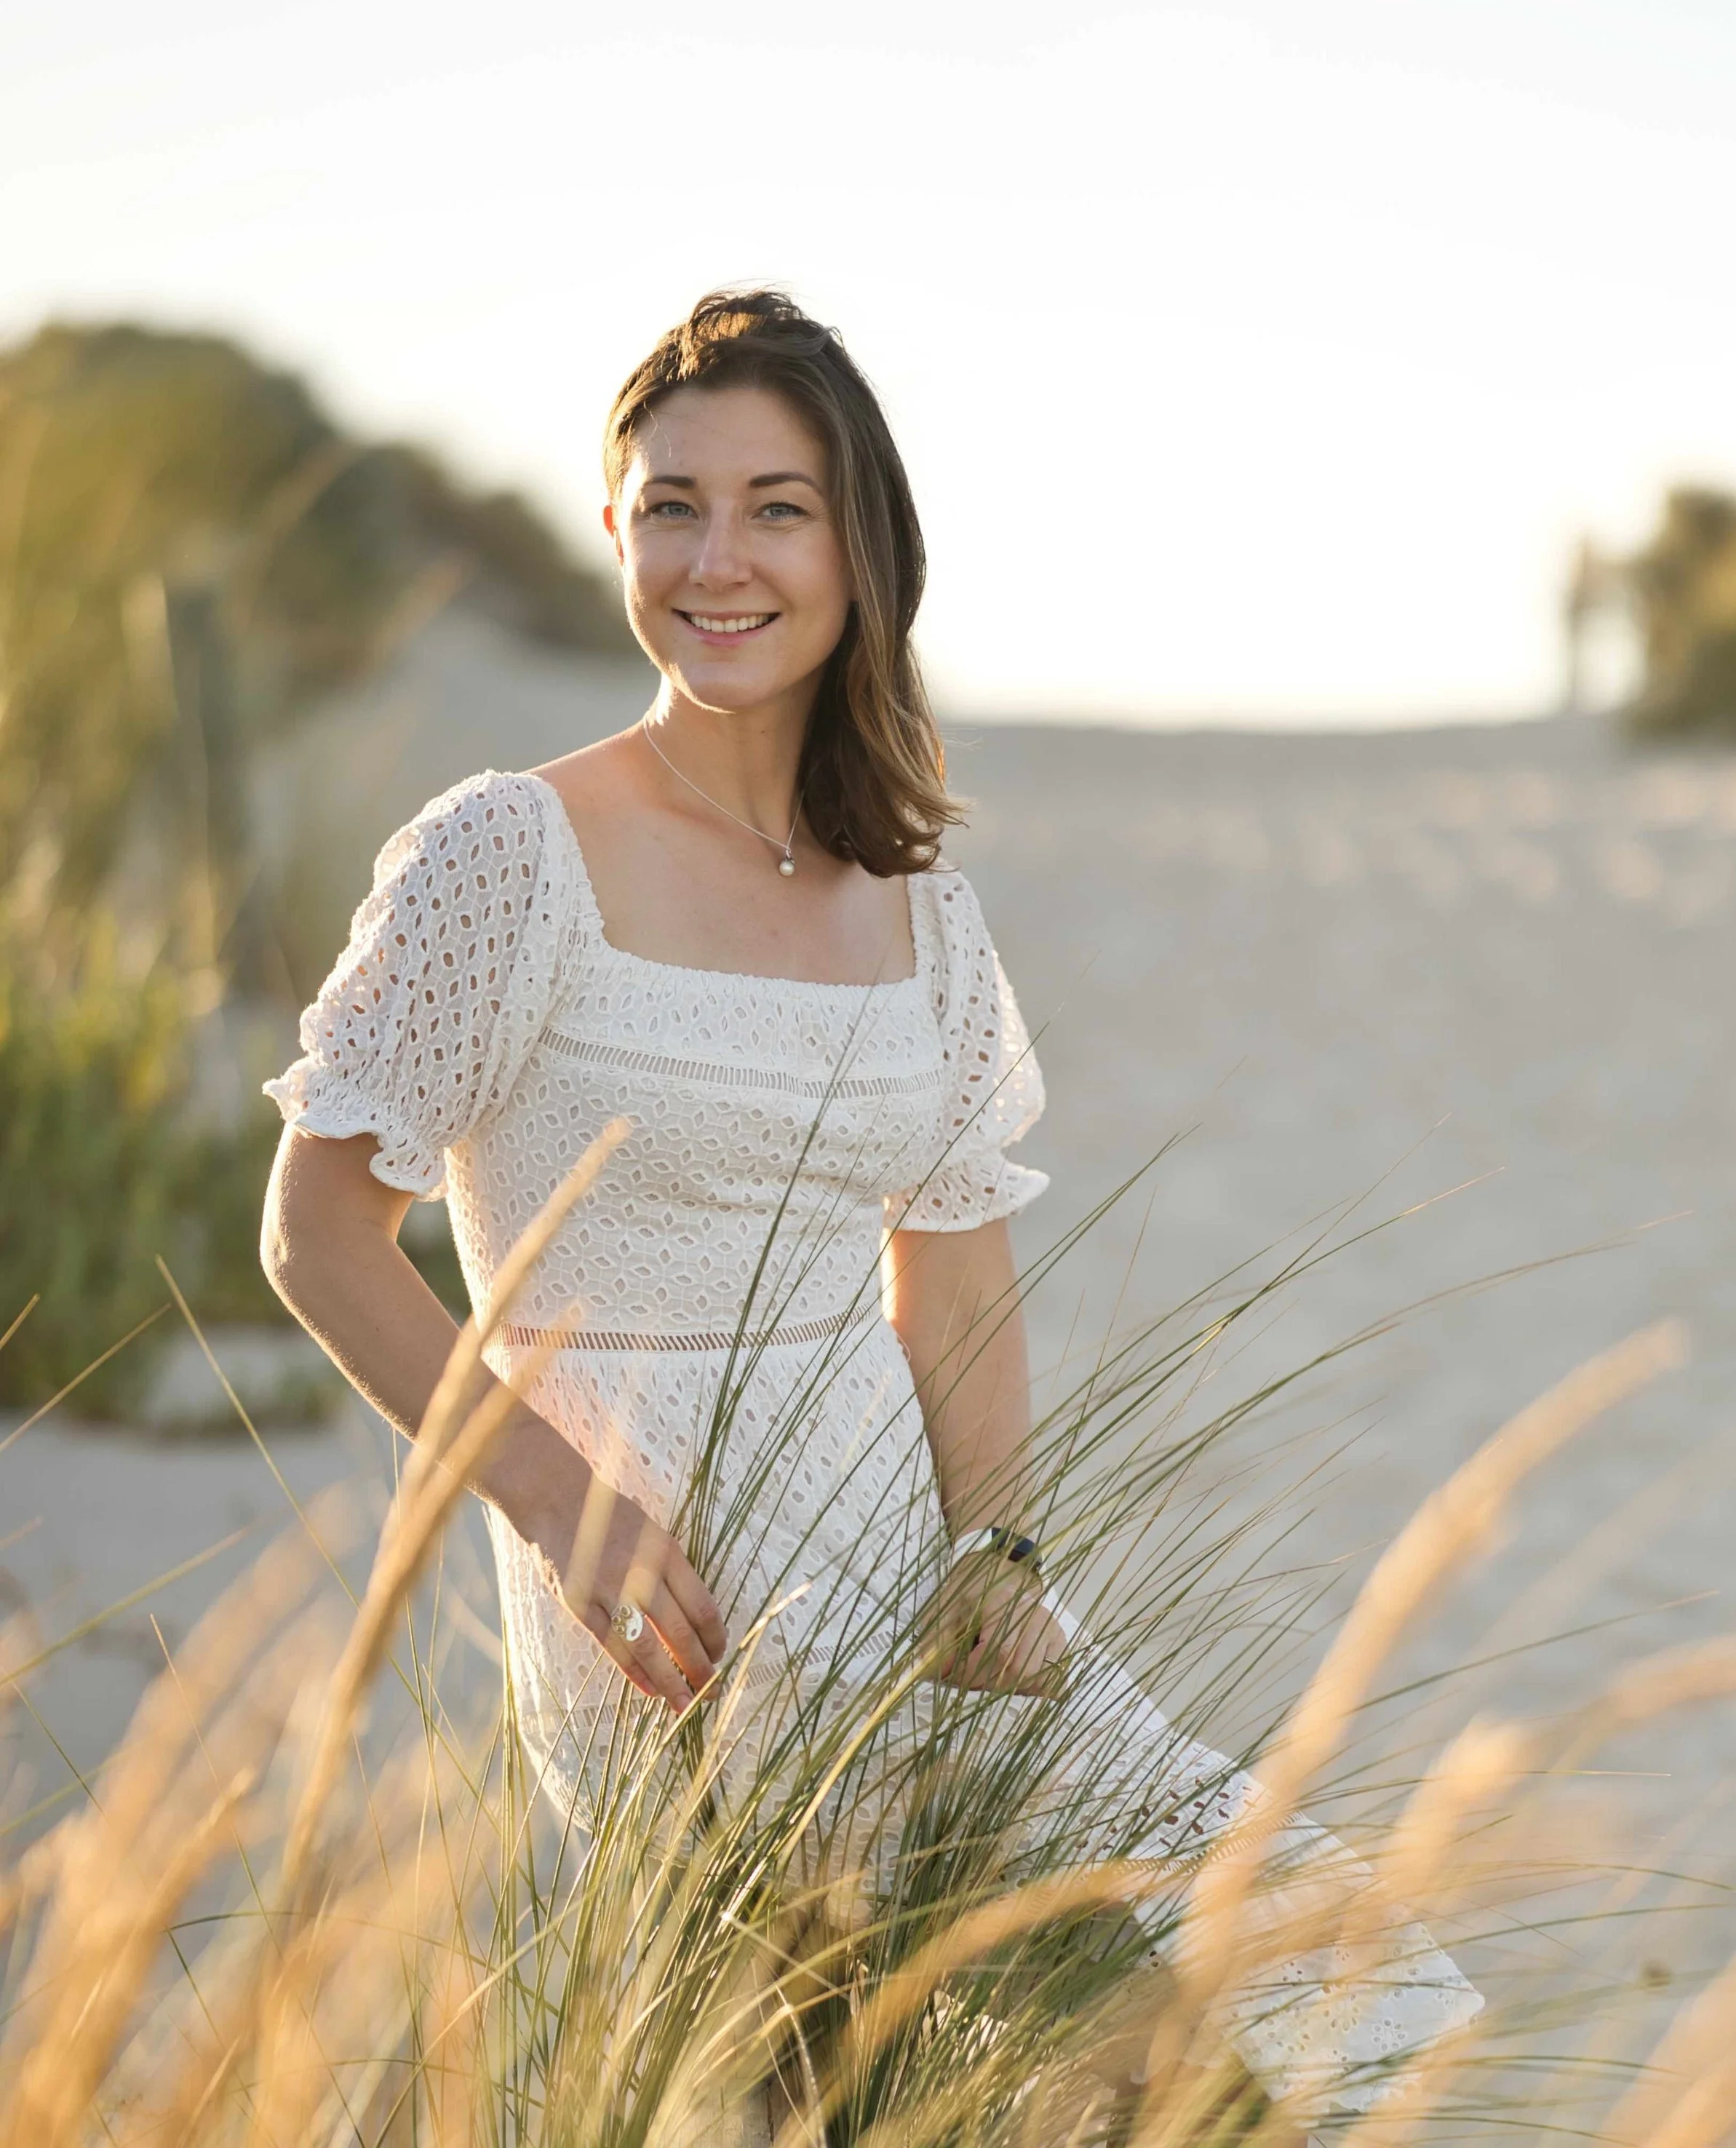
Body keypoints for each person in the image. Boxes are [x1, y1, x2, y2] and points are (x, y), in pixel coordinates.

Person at [260, 290, 1478, 2125]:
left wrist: (995, 1557)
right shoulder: (505, 851)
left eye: (776, 506)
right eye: (671, 505)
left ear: (859, 549)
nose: (716, 558)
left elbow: (957, 1279)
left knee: (1281, 1988)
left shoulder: (918, 913)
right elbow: (318, 1235)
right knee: (789, 2062)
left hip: (899, 1546)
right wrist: (557, 1506)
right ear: (612, 532)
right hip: (644, 1586)